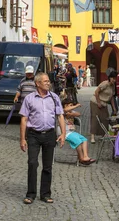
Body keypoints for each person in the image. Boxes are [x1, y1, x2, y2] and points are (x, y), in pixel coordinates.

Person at [20, 73, 65, 205]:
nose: (48, 83)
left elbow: (60, 116)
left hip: (50, 134)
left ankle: (45, 194)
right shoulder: (29, 99)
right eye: (45, 81)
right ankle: (31, 194)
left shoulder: (54, 97)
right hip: (33, 134)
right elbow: (24, 119)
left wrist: (63, 134)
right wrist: (22, 139)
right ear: (37, 83)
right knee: (32, 163)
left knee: (47, 166)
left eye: (48, 81)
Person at [61, 100, 95, 165]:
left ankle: (85, 156)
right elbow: (65, 110)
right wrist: (76, 105)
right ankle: (81, 159)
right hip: (65, 133)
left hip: (72, 132)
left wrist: (72, 114)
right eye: (71, 105)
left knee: (84, 140)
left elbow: (78, 114)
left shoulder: (71, 112)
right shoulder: (62, 111)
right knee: (78, 141)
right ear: (65, 105)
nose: (73, 107)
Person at [89, 71, 118, 144]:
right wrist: (98, 102)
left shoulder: (113, 86)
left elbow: (111, 98)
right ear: (110, 78)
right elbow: (96, 92)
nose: (114, 80)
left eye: (115, 79)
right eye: (113, 78)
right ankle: (92, 137)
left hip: (104, 103)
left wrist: (114, 108)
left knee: (105, 118)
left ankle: (103, 134)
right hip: (95, 102)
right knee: (95, 118)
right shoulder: (105, 84)